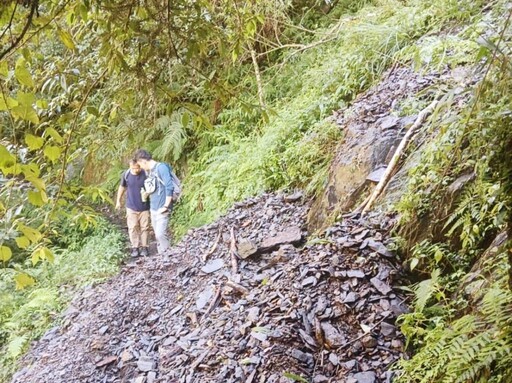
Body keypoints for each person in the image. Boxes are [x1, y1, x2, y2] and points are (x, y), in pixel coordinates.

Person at [133, 149, 174, 261]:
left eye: (140, 164)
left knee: (161, 234)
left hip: (162, 207)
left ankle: (168, 257)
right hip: (154, 208)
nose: (140, 167)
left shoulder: (161, 168)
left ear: (143, 161)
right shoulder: (150, 171)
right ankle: (162, 257)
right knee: (157, 235)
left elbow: (169, 186)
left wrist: (166, 206)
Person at [115, 159, 150, 257]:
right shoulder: (126, 175)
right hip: (131, 206)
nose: (136, 170)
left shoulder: (145, 174)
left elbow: (152, 186)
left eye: (137, 168)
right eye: (133, 168)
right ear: (130, 167)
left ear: (140, 166)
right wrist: (118, 201)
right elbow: (121, 188)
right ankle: (135, 247)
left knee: (145, 227)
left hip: (144, 206)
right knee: (132, 227)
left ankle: (145, 247)